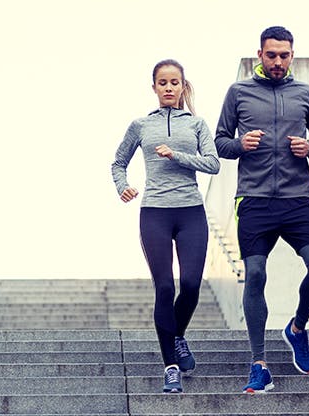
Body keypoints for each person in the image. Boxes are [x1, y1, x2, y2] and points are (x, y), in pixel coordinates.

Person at [214, 25, 309, 394]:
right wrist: (240, 144)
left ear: (291, 55)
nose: (278, 61)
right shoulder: (239, 93)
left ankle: (297, 329)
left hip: (297, 199)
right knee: (255, 274)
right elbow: (220, 142)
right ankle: (259, 364)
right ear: (260, 55)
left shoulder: (306, 94)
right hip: (254, 199)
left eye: (284, 55)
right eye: (271, 55)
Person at [111, 59, 220, 393]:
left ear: (182, 85)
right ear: (154, 87)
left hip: (190, 213)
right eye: (163, 83)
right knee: (164, 288)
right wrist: (122, 185)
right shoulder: (140, 125)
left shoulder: (197, 124)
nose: (169, 88)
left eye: (175, 82)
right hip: (155, 213)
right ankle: (170, 365)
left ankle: (177, 336)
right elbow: (118, 161)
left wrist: (177, 156)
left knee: (190, 285)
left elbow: (213, 163)